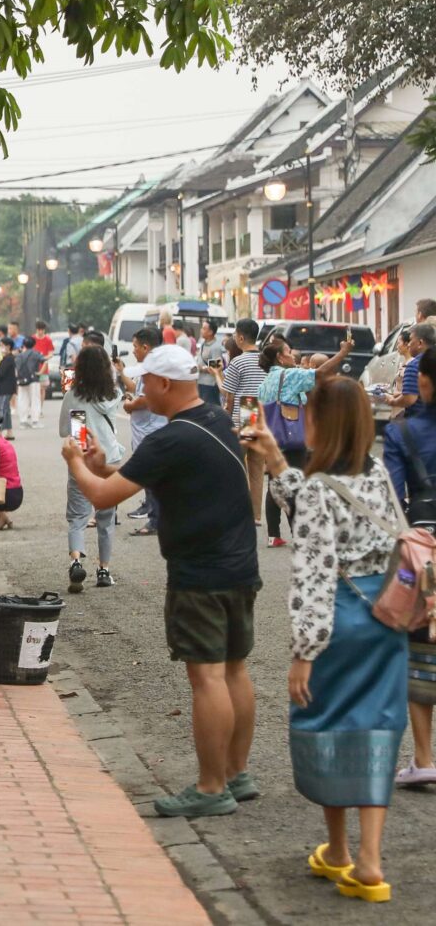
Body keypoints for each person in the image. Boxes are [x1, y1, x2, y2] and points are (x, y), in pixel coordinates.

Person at [63, 345, 260, 819]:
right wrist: (99, 463)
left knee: (207, 676)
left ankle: (211, 788)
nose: (138, 388)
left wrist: (73, 462)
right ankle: (236, 774)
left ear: (165, 385)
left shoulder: (169, 440)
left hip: (200, 572)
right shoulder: (211, 418)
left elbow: (104, 495)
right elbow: (130, 476)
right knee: (234, 669)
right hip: (239, 566)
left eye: (145, 381)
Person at [244, 380, 406, 902]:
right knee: (377, 728)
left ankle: (337, 849)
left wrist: (303, 653)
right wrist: (274, 460)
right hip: (385, 621)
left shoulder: (318, 488)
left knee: (327, 726)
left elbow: (313, 572)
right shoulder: (378, 474)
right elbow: (334, 511)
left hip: (338, 621)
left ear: (325, 422)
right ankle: (371, 862)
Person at [382, 348, 436, 790]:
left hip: (426, 553)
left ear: (425, 384)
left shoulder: (403, 433)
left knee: (422, 650)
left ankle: (423, 758)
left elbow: (392, 499)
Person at [257, 333, 354, 547]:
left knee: (275, 483)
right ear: (281, 358)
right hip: (292, 440)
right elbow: (320, 372)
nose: (292, 356)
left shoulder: (265, 381)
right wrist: (343, 352)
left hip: (273, 439)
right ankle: (300, 532)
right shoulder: (290, 375)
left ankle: (274, 535)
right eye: (289, 353)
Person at [57, 344, 124, 592]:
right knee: (106, 517)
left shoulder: (72, 395)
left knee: (77, 516)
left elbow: (65, 430)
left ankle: (76, 561)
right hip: (109, 459)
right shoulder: (113, 393)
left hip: (82, 459)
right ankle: (104, 569)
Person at [123, 327, 168, 537]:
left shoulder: (153, 368)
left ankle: (155, 519)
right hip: (148, 429)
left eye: (135, 347)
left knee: (152, 477)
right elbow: (137, 390)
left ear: (145, 346)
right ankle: (154, 515)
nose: (133, 351)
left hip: (151, 429)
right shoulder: (149, 366)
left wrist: (130, 406)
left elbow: (145, 399)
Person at [222, 318, 267, 524]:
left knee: (235, 467)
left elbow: (229, 396)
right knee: (257, 469)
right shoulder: (266, 360)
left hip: (246, 411)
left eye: (234, 335)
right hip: (262, 414)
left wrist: (226, 420)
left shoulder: (238, 362)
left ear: (240, 337)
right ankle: (257, 515)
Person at [389, 322, 435, 414]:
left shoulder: (413, 365)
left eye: (410, 340)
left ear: (420, 343)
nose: (408, 344)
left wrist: (392, 401)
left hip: (418, 419)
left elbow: (409, 399)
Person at [14, 336, 43, 429]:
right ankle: (35, 421)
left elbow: (16, 367)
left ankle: (23, 421)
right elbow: (44, 360)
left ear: (24, 344)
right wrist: (40, 372)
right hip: (33, 379)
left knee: (22, 399)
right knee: (35, 400)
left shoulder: (19, 355)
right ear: (34, 344)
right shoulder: (36, 353)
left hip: (21, 379)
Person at [0, 337, 17, 439]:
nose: (0, 347)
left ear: (8, 346)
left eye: (2, 345)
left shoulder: (8, 359)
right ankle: (9, 432)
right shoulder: (7, 358)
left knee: (2, 409)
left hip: (5, 388)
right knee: (6, 410)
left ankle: (0, 432)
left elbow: (1, 373)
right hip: (6, 388)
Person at [197, 320, 225, 408]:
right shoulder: (203, 344)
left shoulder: (216, 347)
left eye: (204, 328)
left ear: (211, 332)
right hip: (200, 381)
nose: (201, 330)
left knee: (210, 408)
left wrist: (201, 368)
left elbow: (217, 366)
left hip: (210, 384)